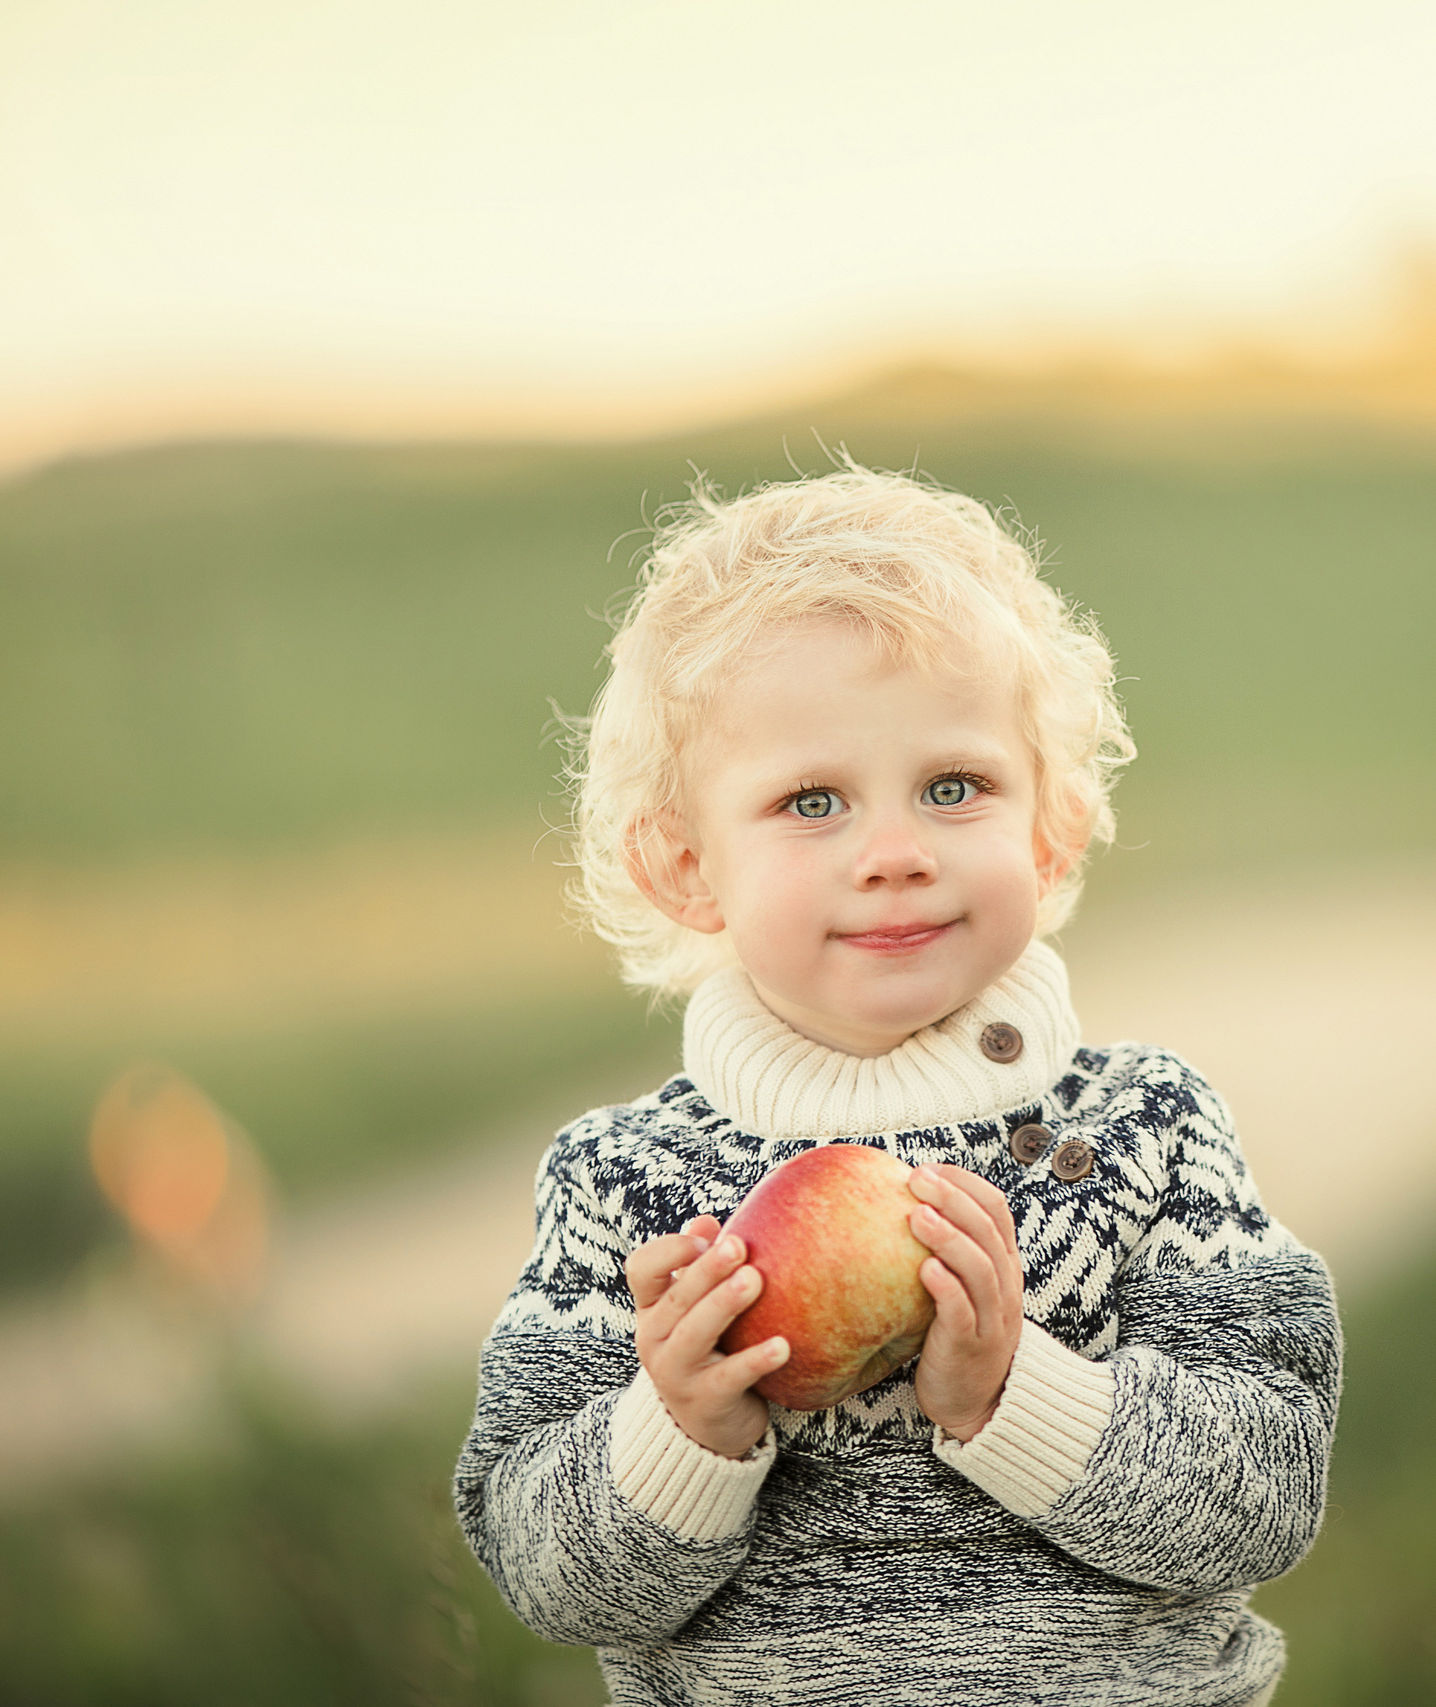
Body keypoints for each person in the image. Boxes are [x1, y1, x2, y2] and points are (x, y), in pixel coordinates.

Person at [455, 465, 1341, 1706]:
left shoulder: (1140, 1131)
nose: (893, 854)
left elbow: (1265, 1494)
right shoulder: (628, 1189)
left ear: (1052, 825)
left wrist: (1011, 1391)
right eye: (811, 802)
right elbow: (543, 1571)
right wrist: (681, 1432)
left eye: (953, 787)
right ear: (684, 867)